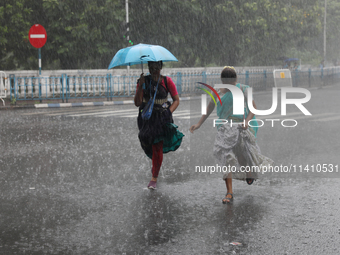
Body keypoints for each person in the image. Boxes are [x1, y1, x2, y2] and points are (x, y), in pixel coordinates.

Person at [190, 66, 273, 203]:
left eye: (232, 84)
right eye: (227, 84)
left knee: (241, 155)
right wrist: (199, 123)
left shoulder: (244, 89)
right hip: (224, 129)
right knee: (226, 157)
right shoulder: (218, 92)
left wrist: (247, 121)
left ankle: (248, 172)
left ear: (236, 80)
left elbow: (253, 108)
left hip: (241, 127)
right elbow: (210, 108)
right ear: (222, 81)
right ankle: (229, 192)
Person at [134, 61, 184, 189]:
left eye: (157, 68)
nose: (154, 71)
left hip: (161, 118)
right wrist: (140, 86)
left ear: (161, 68)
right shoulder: (143, 81)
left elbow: (176, 100)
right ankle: (155, 165)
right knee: (146, 142)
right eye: (151, 68)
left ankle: (154, 177)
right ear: (148, 69)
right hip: (146, 119)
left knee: (157, 147)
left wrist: (168, 112)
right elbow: (137, 102)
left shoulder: (167, 81)